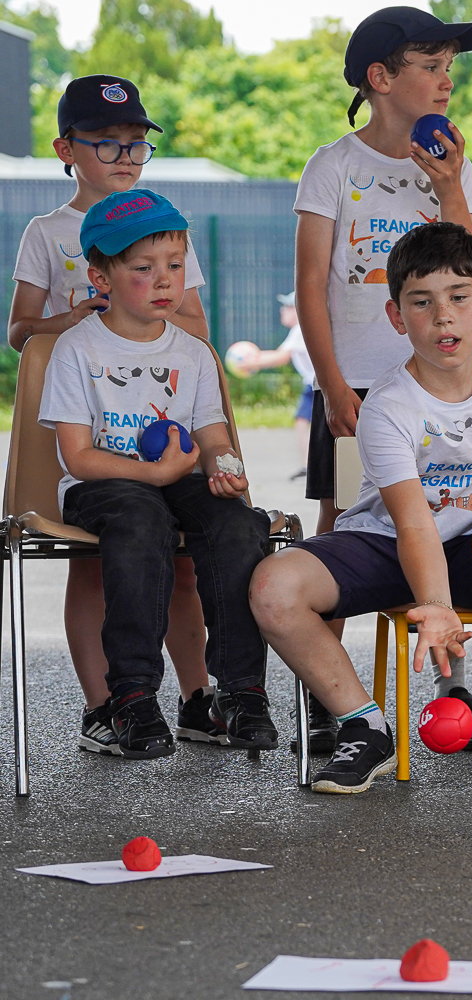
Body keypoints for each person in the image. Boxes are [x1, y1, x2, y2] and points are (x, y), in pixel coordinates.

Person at [251, 222, 472, 796]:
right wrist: (436, 605)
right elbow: (412, 525)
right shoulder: (387, 406)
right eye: (422, 302)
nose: (443, 317)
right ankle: (364, 726)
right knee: (272, 586)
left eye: (459, 297)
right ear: (396, 316)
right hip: (387, 542)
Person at [292, 6, 472, 751]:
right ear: (380, 78)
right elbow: (312, 285)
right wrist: (332, 383)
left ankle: (453, 692)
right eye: (430, 66)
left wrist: (449, 188)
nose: (445, 81)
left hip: (437, 393)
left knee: (439, 526)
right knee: (342, 526)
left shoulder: (451, 166)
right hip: (357, 390)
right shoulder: (334, 166)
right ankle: (331, 699)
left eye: (449, 68)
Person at [7, 74, 218, 756]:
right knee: (94, 563)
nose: (125, 156)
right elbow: (19, 331)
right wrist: (72, 320)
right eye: (106, 143)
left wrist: (141, 308)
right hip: (86, 431)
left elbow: (198, 327)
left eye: (135, 144)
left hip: (159, 422)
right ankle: (105, 707)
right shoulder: (47, 232)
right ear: (65, 149)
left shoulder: (165, 225)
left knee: (181, 564)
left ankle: (197, 698)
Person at [37, 190, 273, 759]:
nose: (165, 280)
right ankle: (133, 695)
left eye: (174, 265)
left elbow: (213, 437)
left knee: (238, 524)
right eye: (144, 269)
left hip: (178, 478)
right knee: (142, 521)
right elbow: (78, 457)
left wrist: (227, 470)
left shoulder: (193, 352)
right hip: (102, 485)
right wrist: (157, 474)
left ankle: (239, 691)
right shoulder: (76, 348)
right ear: (101, 278)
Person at [236, 292, 315, 479]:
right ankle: (308, 466)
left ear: (300, 310)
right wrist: (254, 360)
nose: (283, 310)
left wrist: (251, 362)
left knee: (308, 422)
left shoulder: (301, 329)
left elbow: (281, 357)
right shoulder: (300, 330)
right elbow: (280, 353)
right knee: (302, 420)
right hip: (312, 384)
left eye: (288, 307)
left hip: (316, 385)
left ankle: (315, 466)